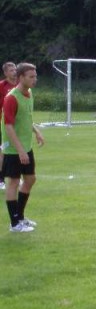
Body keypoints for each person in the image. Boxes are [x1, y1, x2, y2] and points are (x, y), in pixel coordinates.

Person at [1, 63, 44, 232]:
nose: (35, 80)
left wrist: (37, 132)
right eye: (31, 77)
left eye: (35, 76)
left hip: (26, 146)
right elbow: (8, 126)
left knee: (30, 179)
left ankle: (20, 217)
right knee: (12, 183)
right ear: (21, 78)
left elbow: (26, 118)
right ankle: (14, 224)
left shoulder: (29, 93)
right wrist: (19, 150)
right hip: (13, 149)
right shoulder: (11, 97)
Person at [0, 61, 18, 191]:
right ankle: (1, 179)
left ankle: (14, 176)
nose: (14, 72)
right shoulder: (2, 86)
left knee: (16, 150)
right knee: (3, 151)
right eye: (11, 70)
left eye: (15, 69)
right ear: (5, 73)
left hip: (17, 124)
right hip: (3, 123)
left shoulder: (20, 85)